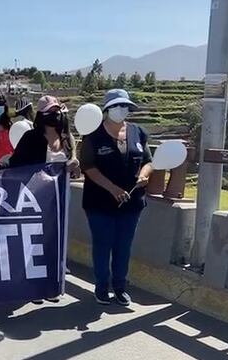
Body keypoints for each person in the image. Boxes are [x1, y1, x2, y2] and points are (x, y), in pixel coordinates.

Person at [80, 89, 153, 306]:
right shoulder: (93, 135)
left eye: (125, 107)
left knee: (124, 246)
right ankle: (102, 287)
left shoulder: (138, 132)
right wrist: (112, 188)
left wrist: (144, 174)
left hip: (131, 202)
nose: (121, 110)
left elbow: (148, 161)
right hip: (99, 203)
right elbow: (88, 167)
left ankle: (120, 287)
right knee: (103, 245)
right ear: (107, 110)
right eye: (116, 107)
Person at [9, 95, 80, 305]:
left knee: (53, 242)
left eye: (57, 112)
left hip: (59, 199)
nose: (55, 116)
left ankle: (50, 286)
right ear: (41, 115)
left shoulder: (67, 138)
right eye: (50, 112)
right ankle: (31, 287)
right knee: (33, 242)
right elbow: (16, 164)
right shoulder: (31, 137)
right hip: (34, 198)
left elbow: (73, 165)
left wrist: (74, 164)